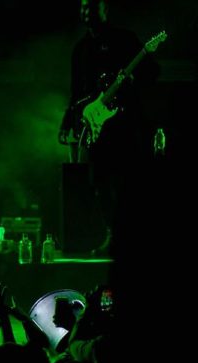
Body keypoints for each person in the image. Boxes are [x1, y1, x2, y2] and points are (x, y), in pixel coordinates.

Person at [58, 0, 160, 256]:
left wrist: (135, 79)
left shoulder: (125, 40)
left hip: (125, 125)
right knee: (98, 182)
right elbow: (76, 93)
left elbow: (153, 71)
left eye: (92, 6)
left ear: (105, 10)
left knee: (129, 181)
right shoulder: (80, 49)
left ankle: (136, 237)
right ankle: (111, 235)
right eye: (82, 6)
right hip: (97, 129)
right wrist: (67, 122)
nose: (86, 12)